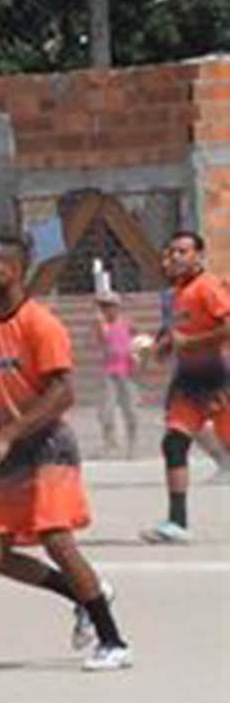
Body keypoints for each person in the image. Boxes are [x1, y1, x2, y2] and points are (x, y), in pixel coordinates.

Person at [0, 233, 127, 669]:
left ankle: (113, 642)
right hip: (15, 447)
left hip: (50, 443)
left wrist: (6, 436)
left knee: (56, 538)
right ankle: (85, 594)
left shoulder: (41, 323)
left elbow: (62, 393)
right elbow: (6, 398)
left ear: (14, 270)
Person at [143, 230, 230, 544]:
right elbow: (174, 336)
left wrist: (190, 342)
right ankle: (176, 522)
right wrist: (156, 350)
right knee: (174, 444)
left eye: (183, 251)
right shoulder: (177, 294)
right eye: (172, 252)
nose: (176, 257)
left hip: (220, 377)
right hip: (190, 381)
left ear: (199, 256)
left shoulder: (208, 287)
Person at [93, 294, 140, 458]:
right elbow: (100, 342)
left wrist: (136, 356)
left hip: (127, 371)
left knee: (130, 409)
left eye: (108, 306)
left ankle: (132, 444)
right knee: (106, 410)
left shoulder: (128, 323)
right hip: (109, 372)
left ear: (117, 307)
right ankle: (110, 443)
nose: (105, 310)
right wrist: (100, 326)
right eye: (102, 307)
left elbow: (137, 342)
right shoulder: (101, 325)